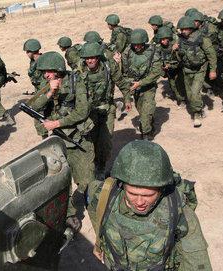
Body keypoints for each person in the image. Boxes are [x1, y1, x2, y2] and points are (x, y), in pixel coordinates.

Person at [87, 140, 212, 271]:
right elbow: (93, 206)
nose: (140, 202)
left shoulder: (178, 210)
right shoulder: (105, 194)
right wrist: (99, 241)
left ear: (161, 189)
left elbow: (197, 260)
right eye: (132, 193)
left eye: (148, 195)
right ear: (121, 184)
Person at [28, 51, 95, 230]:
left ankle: (94, 207)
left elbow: (82, 111)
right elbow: (32, 106)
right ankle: (70, 214)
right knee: (60, 180)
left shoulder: (76, 81)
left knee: (86, 180)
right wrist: (50, 91)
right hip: (57, 141)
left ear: (57, 69)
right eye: (44, 72)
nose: (46, 75)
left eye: (48, 71)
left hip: (77, 139)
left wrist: (57, 122)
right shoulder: (46, 84)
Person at [79, 42, 129, 180]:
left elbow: (121, 82)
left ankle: (101, 166)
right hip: (89, 112)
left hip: (107, 109)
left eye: (93, 57)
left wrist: (128, 98)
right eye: (87, 58)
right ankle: (92, 166)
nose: (90, 60)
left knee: (105, 142)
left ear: (98, 57)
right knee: (91, 141)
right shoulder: (79, 71)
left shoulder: (109, 66)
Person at [120, 29, 162, 140]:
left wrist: (141, 83)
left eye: (140, 45)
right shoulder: (127, 52)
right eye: (135, 45)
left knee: (146, 112)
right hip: (134, 87)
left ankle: (146, 135)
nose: (137, 47)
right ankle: (149, 124)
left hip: (148, 86)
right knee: (141, 110)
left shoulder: (153, 52)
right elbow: (124, 72)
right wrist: (128, 94)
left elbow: (156, 72)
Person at [175, 16, 217, 127]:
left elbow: (211, 55)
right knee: (190, 95)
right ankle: (199, 107)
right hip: (187, 69)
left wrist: (212, 70)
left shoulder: (202, 38)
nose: (183, 31)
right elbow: (176, 56)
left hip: (200, 69)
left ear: (191, 28)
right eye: (181, 29)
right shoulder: (179, 39)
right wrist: (174, 50)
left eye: (185, 29)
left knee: (194, 92)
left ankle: (197, 113)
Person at [23, 38, 48, 138]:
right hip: (40, 91)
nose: (26, 54)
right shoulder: (34, 61)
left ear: (31, 51)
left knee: (37, 114)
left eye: (27, 51)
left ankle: (45, 137)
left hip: (44, 92)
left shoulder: (42, 61)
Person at [156, 26, 186, 106]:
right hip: (169, 70)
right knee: (173, 85)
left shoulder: (176, 45)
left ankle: (182, 99)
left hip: (178, 68)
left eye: (164, 40)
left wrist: (177, 50)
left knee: (180, 84)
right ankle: (179, 97)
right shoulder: (159, 47)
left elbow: (180, 59)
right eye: (161, 40)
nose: (162, 42)